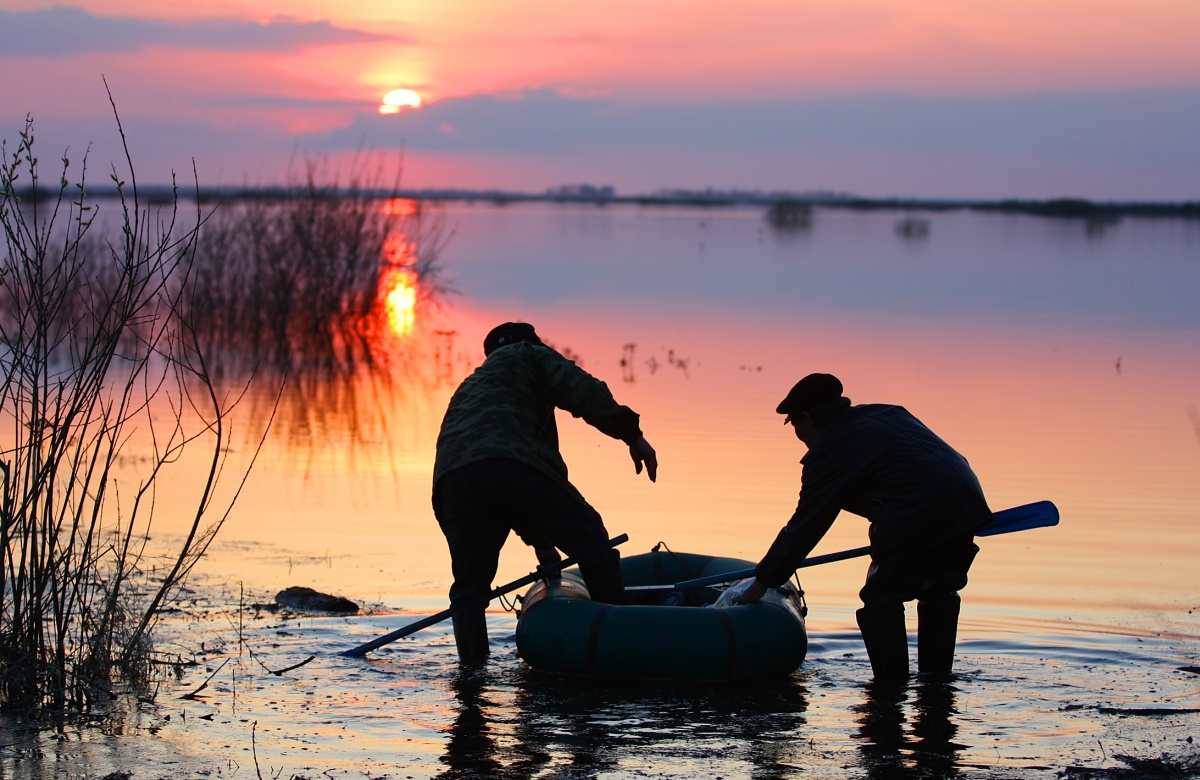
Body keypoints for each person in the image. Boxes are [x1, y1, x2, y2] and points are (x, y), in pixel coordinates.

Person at [733, 373, 992, 683]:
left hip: (915, 511)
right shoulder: (887, 413)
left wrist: (763, 580)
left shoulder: (831, 450)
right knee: (939, 591)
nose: (798, 436)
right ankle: (936, 685)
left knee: (881, 600)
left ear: (804, 418)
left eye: (794, 425)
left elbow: (806, 524)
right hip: (967, 502)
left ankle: (889, 690)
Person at [432, 321, 658, 664]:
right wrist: (632, 434)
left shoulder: (471, 386)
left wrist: (542, 544)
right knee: (594, 545)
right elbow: (582, 391)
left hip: (452, 481)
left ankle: (472, 678)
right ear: (532, 342)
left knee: (469, 591)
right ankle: (617, 647)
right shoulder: (528, 355)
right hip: (512, 464)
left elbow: (497, 486)